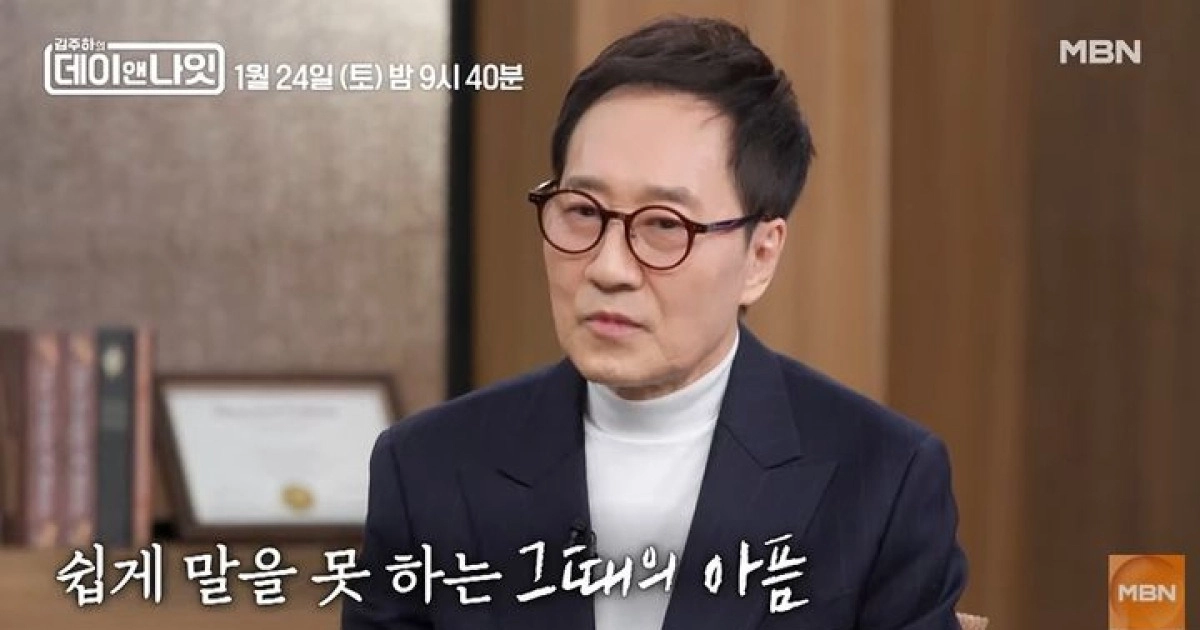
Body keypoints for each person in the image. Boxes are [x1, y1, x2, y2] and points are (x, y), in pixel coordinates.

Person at [343, 15, 967, 630]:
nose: (608, 268)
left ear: (760, 255)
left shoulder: (882, 479)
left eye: (666, 224)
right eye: (582, 211)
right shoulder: (428, 468)